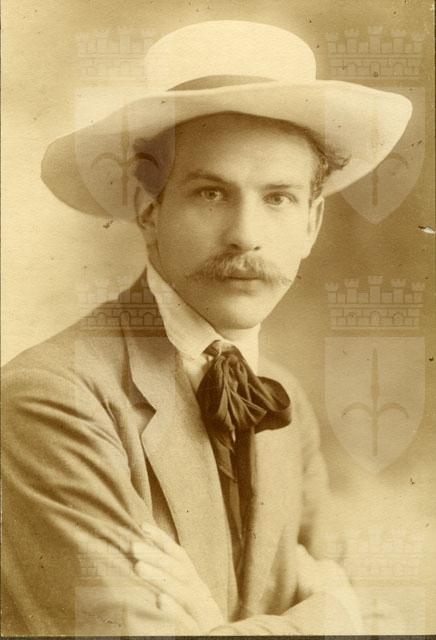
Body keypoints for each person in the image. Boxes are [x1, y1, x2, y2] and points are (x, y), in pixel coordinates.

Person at [2, 20, 411, 636]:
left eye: (278, 198)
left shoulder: (283, 398)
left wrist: (213, 627)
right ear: (150, 210)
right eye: (211, 193)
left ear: (312, 224)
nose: (246, 235)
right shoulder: (50, 399)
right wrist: (328, 617)